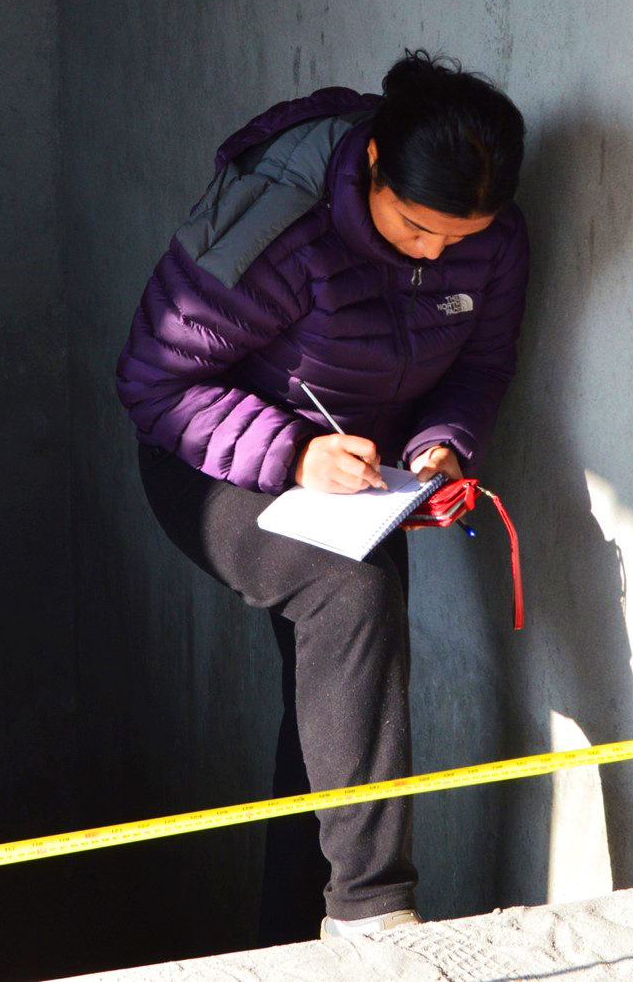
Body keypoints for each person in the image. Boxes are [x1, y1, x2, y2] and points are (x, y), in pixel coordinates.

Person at [116, 51, 529, 943]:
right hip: (212, 461)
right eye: (417, 229)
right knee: (351, 596)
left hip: (359, 478)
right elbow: (153, 382)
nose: (437, 252)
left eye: (460, 238)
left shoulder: (491, 236)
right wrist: (294, 453)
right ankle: (374, 912)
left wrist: (441, 447)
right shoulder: (276, 224)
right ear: (375, 161)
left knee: (335, 705)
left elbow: (483, 364)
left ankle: (286, 939)